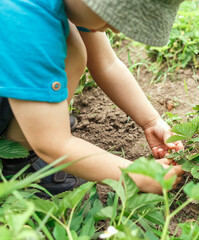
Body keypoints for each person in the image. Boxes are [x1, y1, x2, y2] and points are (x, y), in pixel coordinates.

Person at [0, 0, 185, 195]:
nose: (117, 29)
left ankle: (38, 119)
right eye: (117, 16)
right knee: (70, 46)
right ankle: (20, 162)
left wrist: (151, 121)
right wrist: (138, 176)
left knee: (70, 39)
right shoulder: (25, 18)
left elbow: (106, 63)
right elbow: (53, 144)